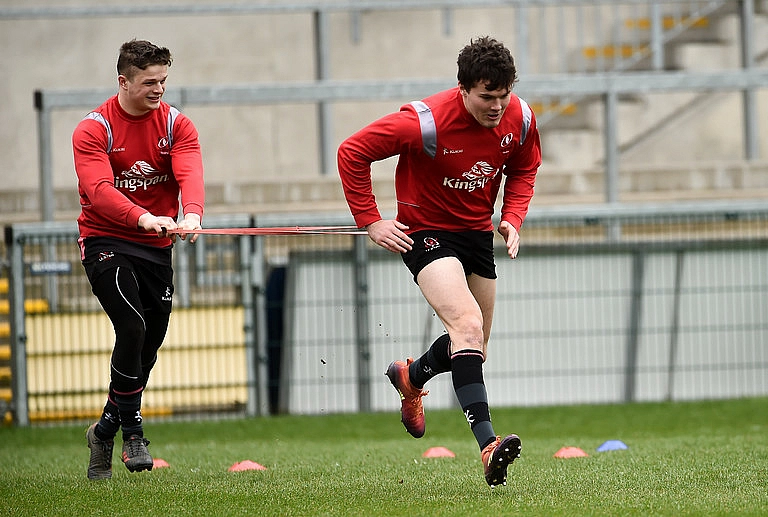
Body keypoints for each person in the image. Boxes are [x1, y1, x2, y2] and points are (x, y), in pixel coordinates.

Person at [337, 36, 540, 488]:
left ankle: (412, 376)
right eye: (487, 97)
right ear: (463, 89)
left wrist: (511, 217)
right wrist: (370, 220)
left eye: (503, 96)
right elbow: (352, 152)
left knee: (475, 346)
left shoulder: (520, 118)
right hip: (426, 233)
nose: (496, 106)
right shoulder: (422, 122)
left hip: (475, 236)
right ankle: (488, 446)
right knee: (466, 325)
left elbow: (524, 167)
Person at [72, 39, 205, 480]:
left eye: (164, 80)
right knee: (132, 325)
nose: (159, 89)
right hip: (107, 239)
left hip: (156, 248)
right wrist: (142, 216)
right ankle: (132, 430)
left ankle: (103, 429)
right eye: (150, 82)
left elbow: (189, 171)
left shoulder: (177, 125)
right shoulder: (93, 129)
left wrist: (192, 215)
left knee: (147, 348)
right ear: (123, 80)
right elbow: (99, 191)